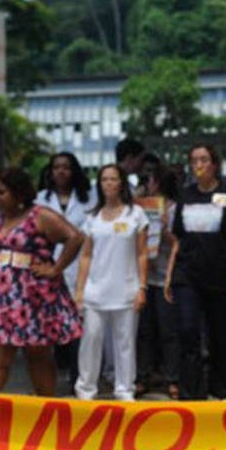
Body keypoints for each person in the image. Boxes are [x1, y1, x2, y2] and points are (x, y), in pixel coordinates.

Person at [0, 167, 84, 396]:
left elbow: (75, 237)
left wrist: (56, 268)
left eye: (2, 192)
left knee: (38, 354)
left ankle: (46, 409)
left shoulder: (40, 215)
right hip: (0, 296)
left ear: (19, 193)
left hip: (32, 295)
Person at [165, 143, 226, 400]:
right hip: (187, 276)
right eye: (194, 160)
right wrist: (169, 275)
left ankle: (222, 390)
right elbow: (178, 239)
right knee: (188, 330)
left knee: (219, 335)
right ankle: (191, 393)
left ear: (214, 164)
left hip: (220, 276)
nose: (199, 165)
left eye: (204, 159)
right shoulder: (186, 195)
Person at [74, 164, 149, 401]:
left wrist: (142, 287)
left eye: (113, 179)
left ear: (122, 183)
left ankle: (124, 389)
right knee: (91, 340)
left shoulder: (135, 214)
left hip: (127, 288)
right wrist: (79, 290)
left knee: (125, 343)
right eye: (104, 179)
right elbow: (86, 256)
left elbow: (142, 253)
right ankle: (86, 389)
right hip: (95, 290)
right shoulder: (92, 218)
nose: (108, 183)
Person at [36, 152, 95, 384]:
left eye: (66, 167)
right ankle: (57, 370)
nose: (61, 171)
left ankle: (77, 376)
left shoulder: (89, 198)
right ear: (50, 172)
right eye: (56, 167)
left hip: (80, 266)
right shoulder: (41, 199)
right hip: (49, 265)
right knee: (52, 321)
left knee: (78, 323)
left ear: (75, 171)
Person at [135, 162, 180, 398]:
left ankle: (173, 378)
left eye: (150, 179)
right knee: (144, 330)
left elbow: (177, 243)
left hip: (164, 276)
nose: (147, 184)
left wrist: (164, 231)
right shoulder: (138, 208)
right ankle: (143, 376)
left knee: (168, 330)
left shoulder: (173, 209)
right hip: (143, 277)